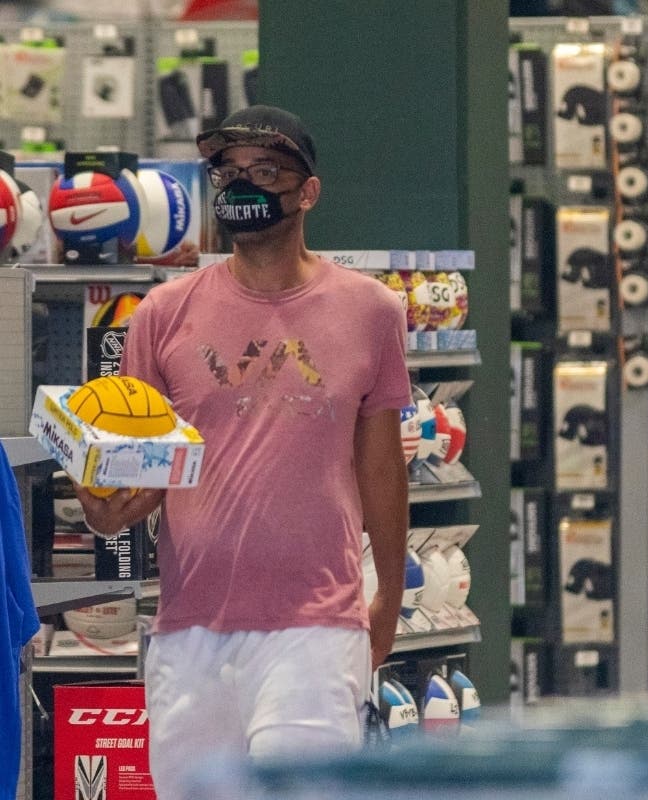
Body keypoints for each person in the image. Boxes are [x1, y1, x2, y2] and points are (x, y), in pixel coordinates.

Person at [73, 105, 411, 797]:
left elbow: (381, 466)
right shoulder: (162, 313)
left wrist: (389, 600)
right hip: (188, 628)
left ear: (307, 191)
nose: (242, 185)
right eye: (227, 171)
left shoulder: (371, 311)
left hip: (316, 626)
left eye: (265, 170)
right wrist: (104, 509)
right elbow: (137, 471)